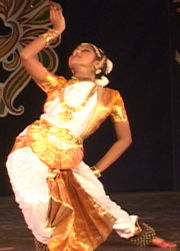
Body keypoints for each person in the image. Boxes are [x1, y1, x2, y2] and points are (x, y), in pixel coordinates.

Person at [6, 2, 177, 251]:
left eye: (84, 50)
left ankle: (142, 234)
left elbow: (124, 139)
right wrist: (57, 30)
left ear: (98, 63)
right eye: (74, 50)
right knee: (34, 201)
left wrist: (97, 169)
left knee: (99, 198)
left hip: (70, 154)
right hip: (32, 147)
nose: (76, 52)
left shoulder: (111, 98)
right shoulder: (57, 85)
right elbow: (26, 56)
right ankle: (46, 241)